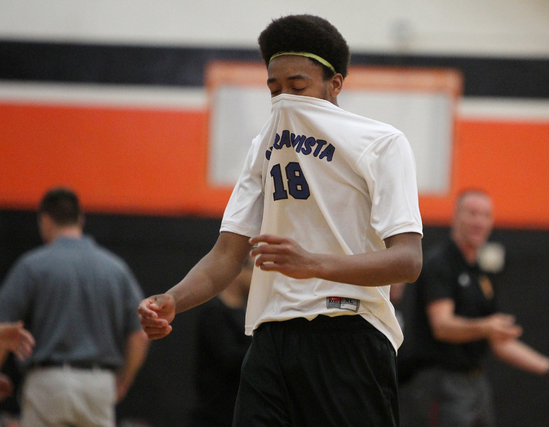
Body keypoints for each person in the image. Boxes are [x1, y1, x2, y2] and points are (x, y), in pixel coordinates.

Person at [138, 14, 423, 427]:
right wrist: (173, 300)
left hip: (349, 334)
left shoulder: (381, 142)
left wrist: (315, 264)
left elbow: (408, 261)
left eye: (298, 87)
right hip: (271, 337)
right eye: (275, 89)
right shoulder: (262, 147)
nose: (284, 98)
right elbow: (226, 255)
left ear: (335, 84)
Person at [397, 189, 549, 427]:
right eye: (472, 213)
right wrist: (486, 326)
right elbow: (443, 326)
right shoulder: (440, 263)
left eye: (485, 215)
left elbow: (500, 341)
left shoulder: (481, 274)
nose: (479, 221)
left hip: (476, 383)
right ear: (455, 217)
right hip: (439, 382)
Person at [0, 187, 149, 427]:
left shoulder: (32, 266)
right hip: (98, 383)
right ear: (80, 219)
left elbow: (3, 328)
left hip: (47, 382)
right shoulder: (115, 268)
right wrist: (123, 381)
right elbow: (140, 334)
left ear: (45, 220)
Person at [189, 258, 252, 427]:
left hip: (240, 410)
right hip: (216, 413)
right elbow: (228, 358)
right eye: (254, 269)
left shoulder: (248, 314)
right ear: (238, 272)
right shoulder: (214, 313)